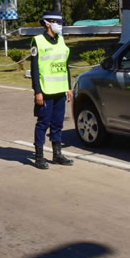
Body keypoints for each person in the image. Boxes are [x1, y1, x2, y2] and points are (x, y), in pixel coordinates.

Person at [30, 11, 74, 169]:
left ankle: (57, 154)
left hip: (60, 90)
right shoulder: (38, 41)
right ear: (47, 23)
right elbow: (34, 69)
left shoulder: (61, 40)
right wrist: (37, 91)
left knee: (58, 123)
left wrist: (69, 87)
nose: (60, 25)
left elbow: (65, 65)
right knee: (43, 123)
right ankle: (39, 156)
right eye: (57, 22)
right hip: (46, 90)